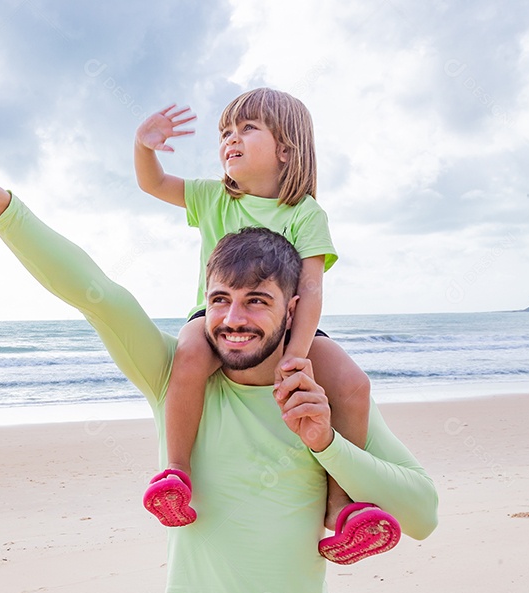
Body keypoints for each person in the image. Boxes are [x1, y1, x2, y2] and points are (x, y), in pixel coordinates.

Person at [0, 113, 438, 593]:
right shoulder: (176, 382)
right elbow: (97, 293)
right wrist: (1, 209)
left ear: (293, 311)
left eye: (257, 301)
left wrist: (327, 447)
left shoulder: (327, 402)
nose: (233, 318)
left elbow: (423, 515)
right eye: (219, 300)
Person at [134, 89, 396, 564]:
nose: (230, 140)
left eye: (247, 129)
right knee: (189, 354)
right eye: (225, 133)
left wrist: (296, 353)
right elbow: (152, 185)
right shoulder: (213, 197)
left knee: (354, 385)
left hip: (289, 324)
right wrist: (144, 146)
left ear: (286, 148)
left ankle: (340, 508)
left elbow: (311, 290)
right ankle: (175, 473)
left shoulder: (304, 214)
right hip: (217, 320)